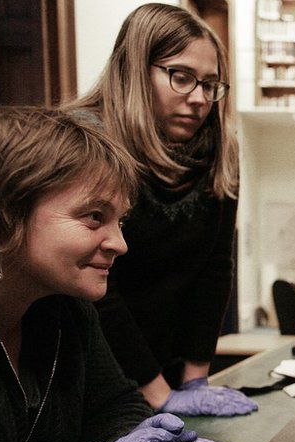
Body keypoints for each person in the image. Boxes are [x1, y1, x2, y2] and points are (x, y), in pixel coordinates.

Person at [0, 107, 250, 442]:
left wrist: (140, 439)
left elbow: (118, 404)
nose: (120, 243)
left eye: (120, 220)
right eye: (94, 217)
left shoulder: (66, 308)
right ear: (1, 221)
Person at [64, 4, 257, 416]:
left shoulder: (220, 151)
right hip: (88, 373)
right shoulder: (84, 144)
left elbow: (215, 269)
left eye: (210, 84)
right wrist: (158, 396)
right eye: (182, 78)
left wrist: (195, 380)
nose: (200, 99)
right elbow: (97, 291)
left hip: (167, 364)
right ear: (135, 68)